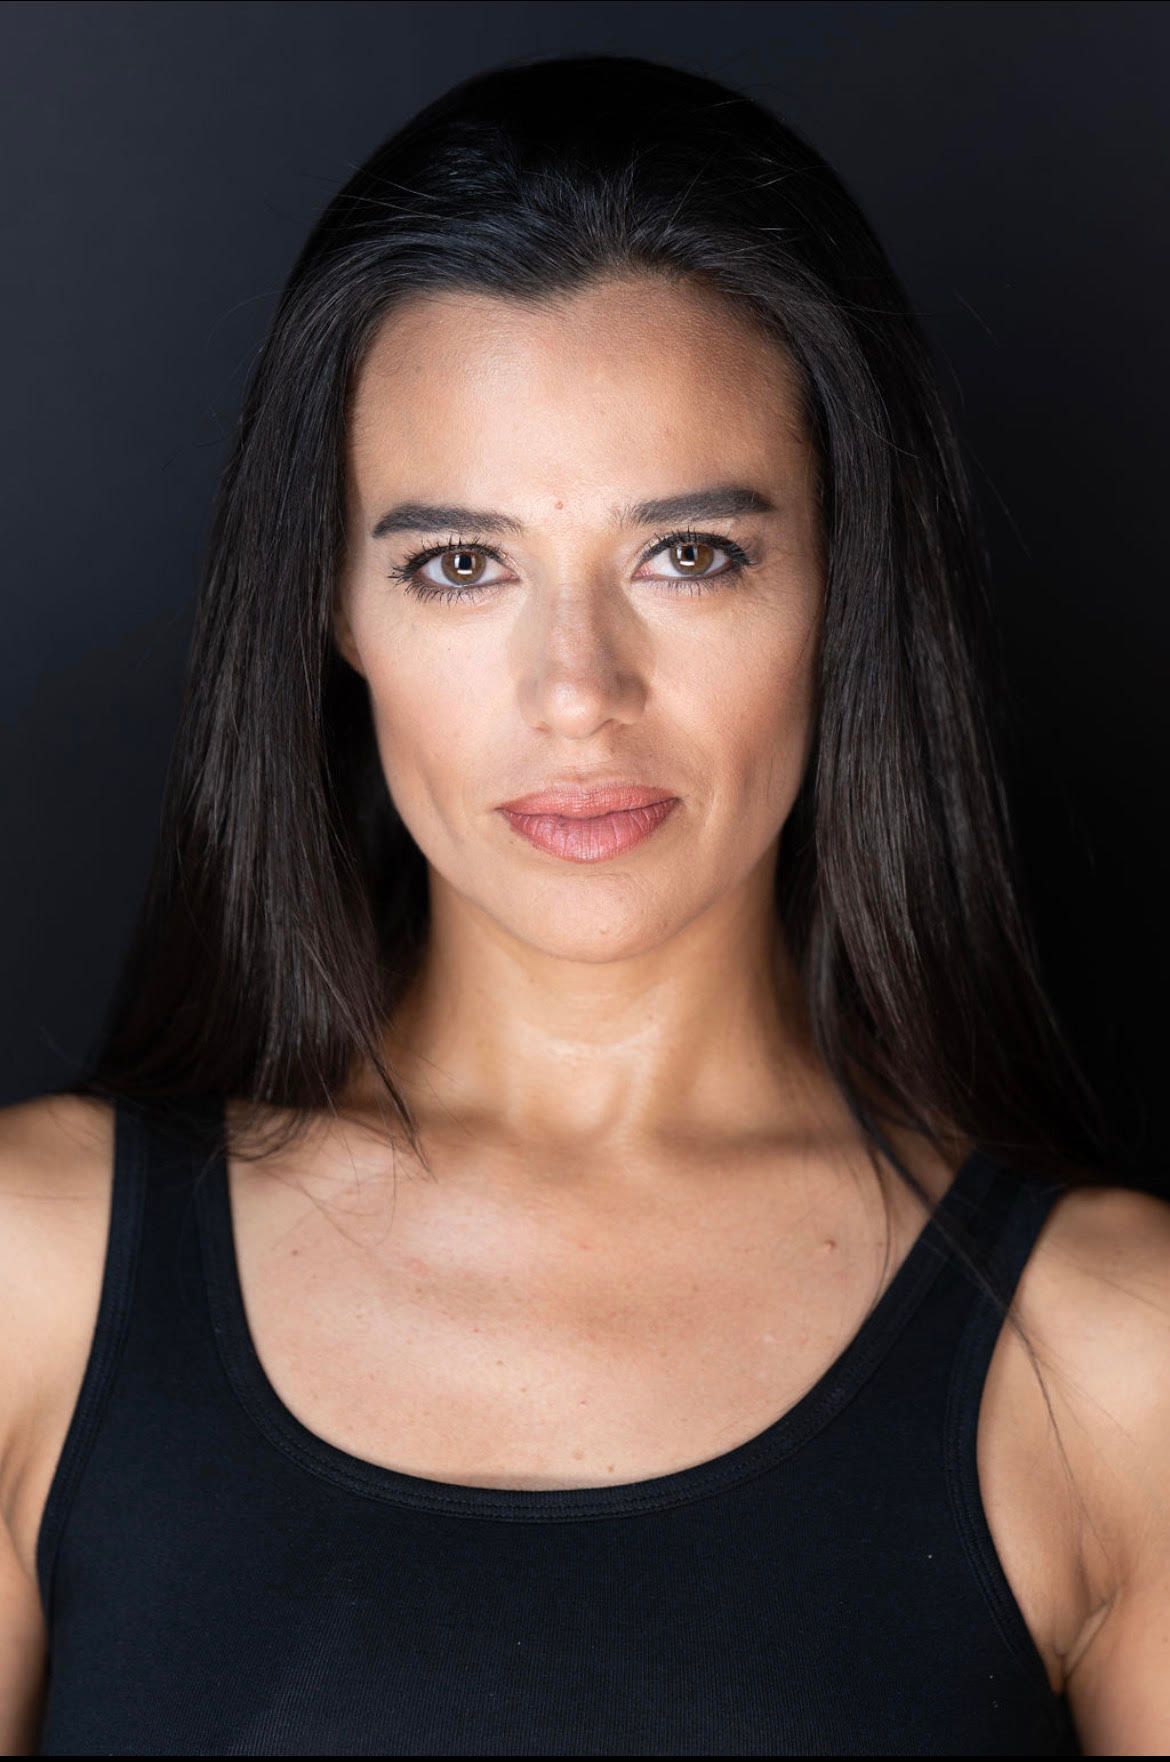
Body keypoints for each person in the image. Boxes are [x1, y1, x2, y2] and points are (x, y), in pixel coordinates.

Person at [1, 51, 1166, 1758]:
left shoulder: (1113, 1356)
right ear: (329, 606)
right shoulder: (29, 1277)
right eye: (458, 564)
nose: (576, 692)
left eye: (689, 554)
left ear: (845, 580)